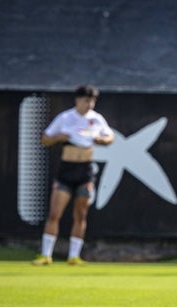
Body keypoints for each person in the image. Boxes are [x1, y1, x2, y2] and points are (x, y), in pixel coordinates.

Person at [32, 85, 115, 266]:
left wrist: (101, 140)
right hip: (67, 170)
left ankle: (74, 256)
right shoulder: (65, 118)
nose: (90, 104)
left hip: (85, 170)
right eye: (86, 100)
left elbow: (110, 137)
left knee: (80, 214)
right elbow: (45, 139)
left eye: (92, 101)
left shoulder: (96, 119)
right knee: (55, 213)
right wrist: (58, 138)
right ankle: (46, 255)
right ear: (77, 100)